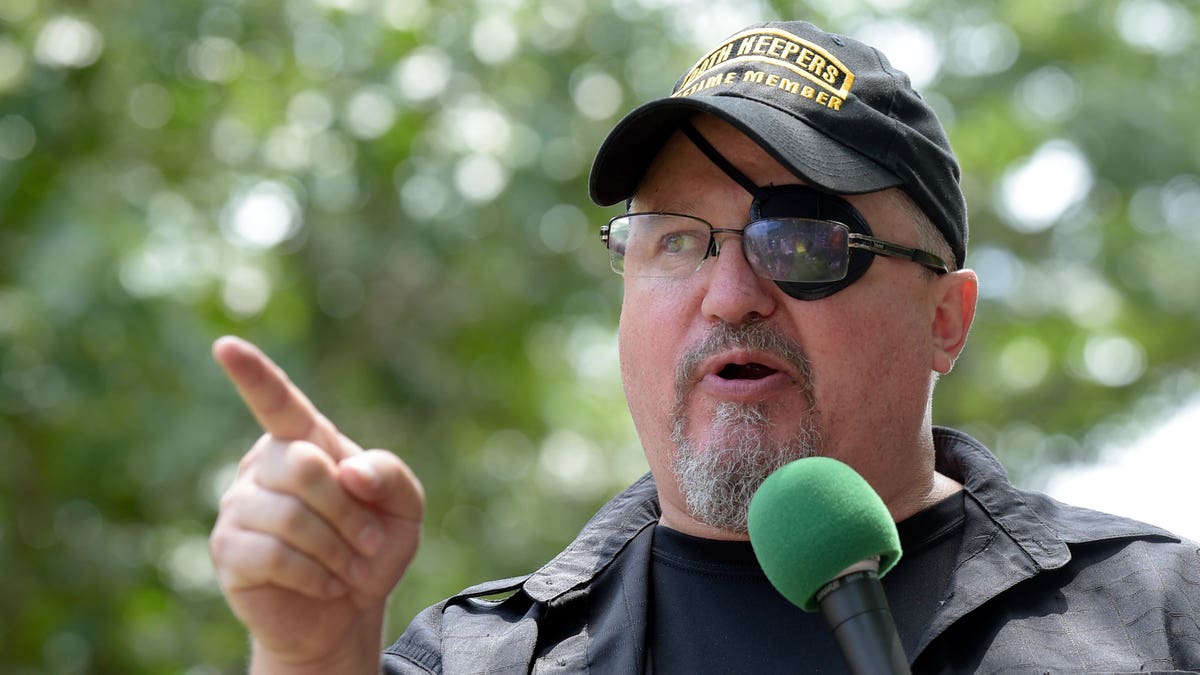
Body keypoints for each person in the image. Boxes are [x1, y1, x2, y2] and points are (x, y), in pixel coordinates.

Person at [209, 19, 1200, 673]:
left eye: (803, 240)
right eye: (678, 241)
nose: (732, 295)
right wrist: (311, 655)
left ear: (947, 318)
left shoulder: (1160, 621)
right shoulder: (482, 661)